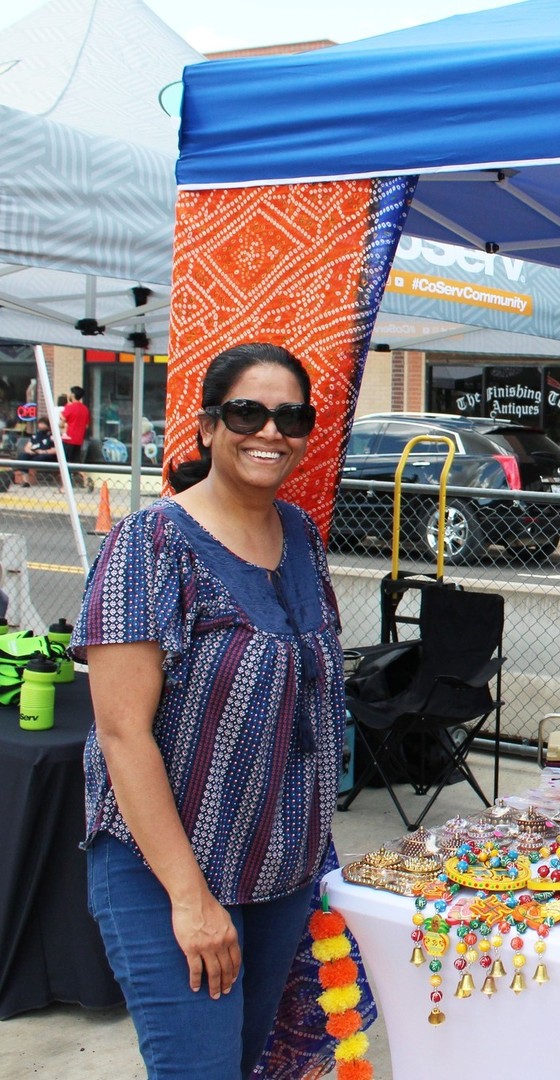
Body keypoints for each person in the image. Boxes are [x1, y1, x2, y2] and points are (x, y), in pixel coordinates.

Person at [70, 343, 346, 1079]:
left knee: (248, 1067)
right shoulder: (150, 542)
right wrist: (191, 900)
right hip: (163, 874)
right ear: (206, 427)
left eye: (291, 416)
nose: (271, 431)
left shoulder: (300, 539)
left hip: (281, 872)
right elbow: (122, 734)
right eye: (248, 412)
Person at [12, 417, 57, 486]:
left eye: (43, 424)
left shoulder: (53, 436)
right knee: (23, 456)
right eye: (40, 424)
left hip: (47, 455)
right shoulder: (36, 435)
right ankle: (25, 480)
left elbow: (56, 450)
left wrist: (44, 452)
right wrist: (29, 451)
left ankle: (31, 479)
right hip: (34, 453)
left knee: (38, 458)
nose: (41, 426)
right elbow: (27, 446)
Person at [60, 384, 90, 459]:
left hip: (68, 439)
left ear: (73, 395)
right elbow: (86, 426)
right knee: (75, 463)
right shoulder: (85, 409)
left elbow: (61, 424)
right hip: (79, 440)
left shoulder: (69, 407)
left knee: (64, 461)